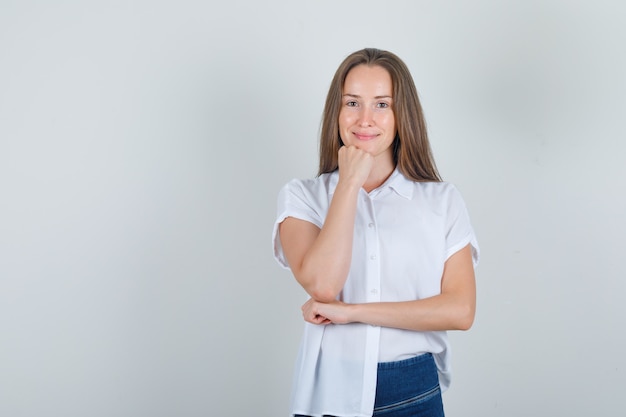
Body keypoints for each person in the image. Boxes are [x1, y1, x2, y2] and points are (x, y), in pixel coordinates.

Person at [272, 48, 479, 417]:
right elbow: (322, 285)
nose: (365, 119)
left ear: (402, 116)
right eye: (353, 102)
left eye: (382, 105)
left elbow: (460, 310)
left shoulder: (442, 200)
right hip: (331, 389)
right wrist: (349, 181)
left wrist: (352, 312)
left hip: (412, 389)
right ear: (336, 111)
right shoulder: (302, 197)